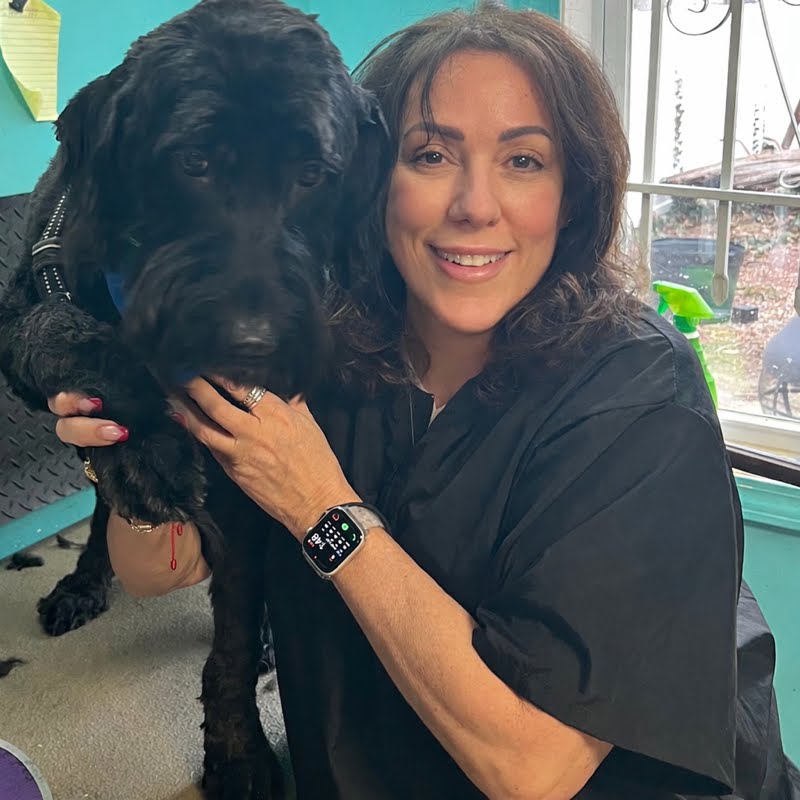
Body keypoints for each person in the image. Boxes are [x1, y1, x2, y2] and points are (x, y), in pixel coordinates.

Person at [47, 3, 800, 798]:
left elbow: (534, 770)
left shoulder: (640, 400)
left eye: (524, 161)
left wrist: (319, 505)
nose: (475, 205)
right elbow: (159, 571)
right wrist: (126, 450)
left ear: (573, 195)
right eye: (432, 155)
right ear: (368, 180)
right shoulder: (325, 351)